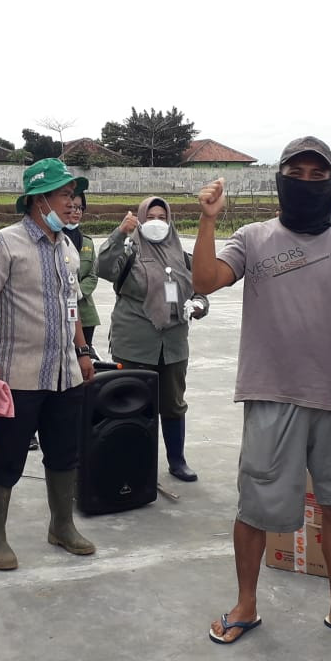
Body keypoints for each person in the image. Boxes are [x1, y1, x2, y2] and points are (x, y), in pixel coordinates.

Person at [190, 136, 331, 647]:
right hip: (271, 392)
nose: (310, 183)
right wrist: (208, 220)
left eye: (320, 176)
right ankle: (245, 604)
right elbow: (204, 281)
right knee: (255, 507)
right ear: (281, 179)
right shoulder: (252, 237)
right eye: (299, 173)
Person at [0, 157, 96, 571]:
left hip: (66, 374)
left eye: (73, 195)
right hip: (20, 373)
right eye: (64, 194)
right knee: (7, 457)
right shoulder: (4, 242)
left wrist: (83, 351)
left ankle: (61, 525)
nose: (71, 202)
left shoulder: (66, 248)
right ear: (39, 200)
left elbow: (72, 305)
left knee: (64, 454)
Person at [97, 196, 209, 482]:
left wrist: (198, 306)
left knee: (173, 403)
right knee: (132, 405)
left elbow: (201, 288)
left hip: (172, 344)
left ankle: (177, 461)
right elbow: (104, 268)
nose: (157, 222)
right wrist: (120, 232)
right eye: (151, 217)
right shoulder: (129, 250)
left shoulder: (182, 255)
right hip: (135, 341)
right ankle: (136, 464)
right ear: (141, 220)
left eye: (162, 217)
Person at [64, 190, 100, 356]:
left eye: (80, 208)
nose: (77, 211)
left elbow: (92, 275)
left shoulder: (87, 242)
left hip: (85, 311)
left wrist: (77, 292)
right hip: (61, 308)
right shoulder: (54, 238)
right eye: (72, 207)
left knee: (85, 356)